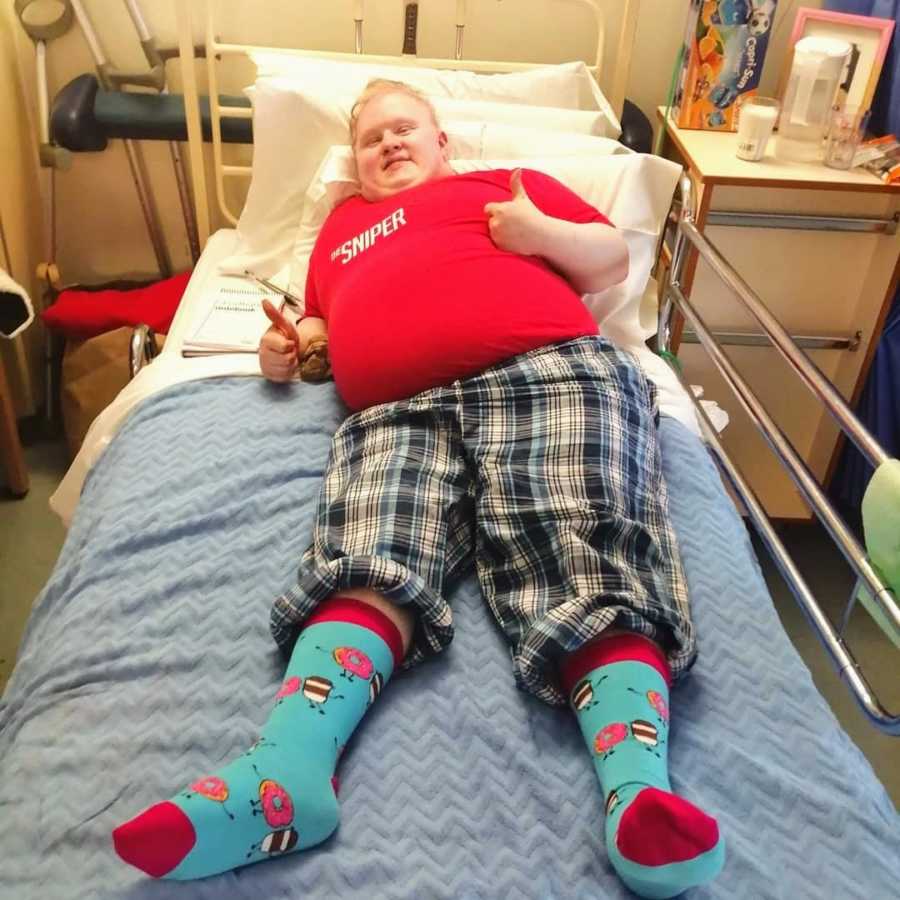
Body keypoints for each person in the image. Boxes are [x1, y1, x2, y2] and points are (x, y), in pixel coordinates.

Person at [112, 80, 725, 898]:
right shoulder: (337, 236)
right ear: (357, 163)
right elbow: (324, 328)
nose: (389, 144)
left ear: (442, 143)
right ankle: (286, 774)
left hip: (545, 370)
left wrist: (537, 232)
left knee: (578, 535)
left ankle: (639, 794)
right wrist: (287, 348)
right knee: (367, 549)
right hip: (398, 408)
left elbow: (614, 261)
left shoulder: (500, 189)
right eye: (371, 138)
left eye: (405, 129)